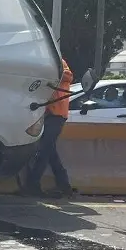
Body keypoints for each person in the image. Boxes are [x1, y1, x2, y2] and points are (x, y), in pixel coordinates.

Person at [24, 57, 74, 198]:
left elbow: (68, 76)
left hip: (56, 114)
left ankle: (33, 184)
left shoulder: (59, 63)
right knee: (50, 152)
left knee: (44, 151)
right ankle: (64, 185)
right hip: (46, 114)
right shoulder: (47, 63)